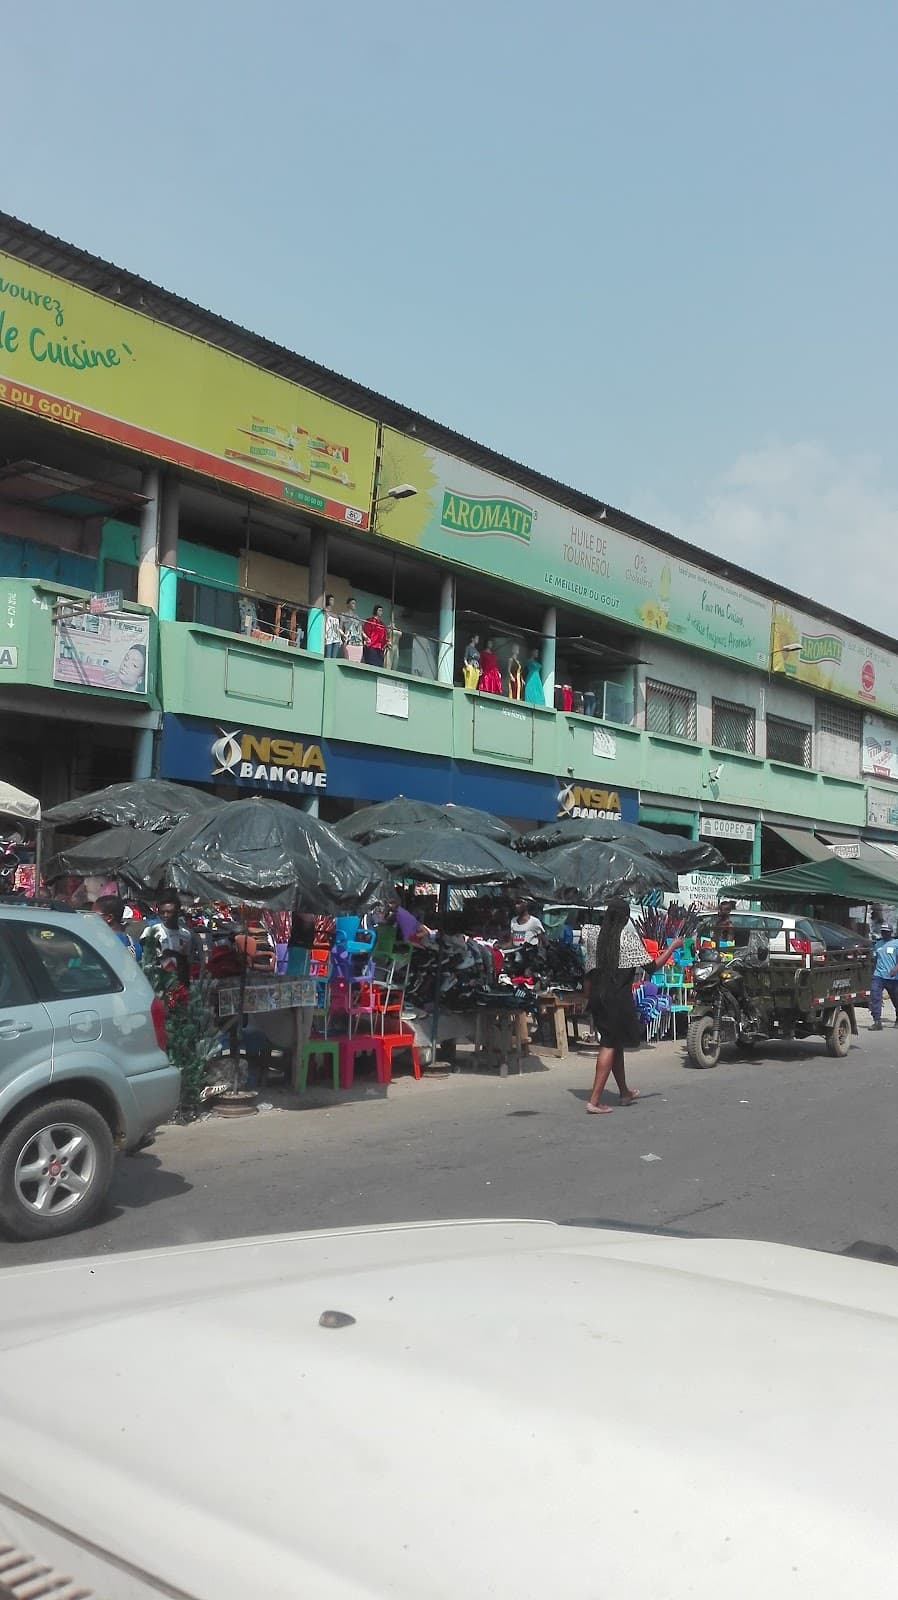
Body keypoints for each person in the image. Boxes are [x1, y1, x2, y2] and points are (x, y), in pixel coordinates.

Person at [584, 897, 682, 1114]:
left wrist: (586, 998)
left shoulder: (593, 936)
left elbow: (588, 972)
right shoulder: (628, 939)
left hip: (598, 998)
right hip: (617, 1000)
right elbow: (653, 967)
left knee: (615, 1043)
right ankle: (594, 1101)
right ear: (626, 918)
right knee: (609, 1045)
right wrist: (672, 947)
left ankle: (624, 1093)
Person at [141, 891, 204, 984]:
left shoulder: (186, 935)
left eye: (169, 912)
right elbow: (147, 959)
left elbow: (187, 960)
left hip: (179, 983)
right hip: (157, 983)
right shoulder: (150, 932)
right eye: (162, 912)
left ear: (177, 912)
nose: (165, 915)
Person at [93, 894, 141, 961]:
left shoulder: (101, 943)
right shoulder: (133, 943)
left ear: (109, 917)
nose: (90, 917)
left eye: (94, 915)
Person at [870, 926, 898, 1029]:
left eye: (886, 932)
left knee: (895, 998)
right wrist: (872, 972)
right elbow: (875, 959)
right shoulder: (878, 944)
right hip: (878, 976)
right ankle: (877, 1021)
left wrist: (896, 968)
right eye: (883, 932)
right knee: (875, 997)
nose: (884, 934)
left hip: (893, 977)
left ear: (891, 932)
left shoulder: (896, 943)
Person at [323, 594, 342, 658]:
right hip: (328, 635)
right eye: (331, 600)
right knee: (328, 655)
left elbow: (338, 627)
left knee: (334, 657)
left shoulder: (335, 614)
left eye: (333, 600)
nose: (332, 601)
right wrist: (324, 635)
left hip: (336, 636)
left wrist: (340, 637)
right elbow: (324, 623)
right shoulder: (325, 612)